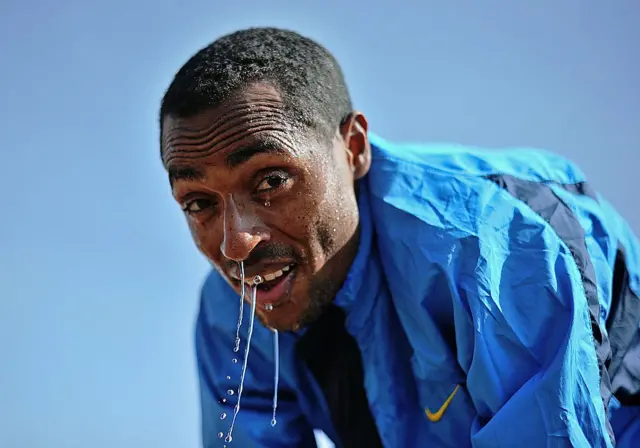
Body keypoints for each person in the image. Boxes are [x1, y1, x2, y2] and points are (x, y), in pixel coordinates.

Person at [158, 27, 640, 448]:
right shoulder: (233, 311)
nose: (236, 245)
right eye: (199, 203)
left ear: (354, 148)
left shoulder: (492, 252)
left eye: (271, 181)